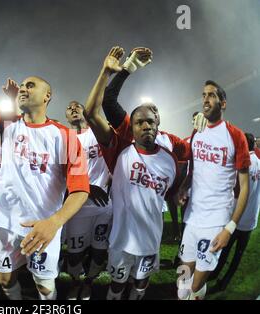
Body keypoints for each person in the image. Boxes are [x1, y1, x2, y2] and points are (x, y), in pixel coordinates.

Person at [0, 24, 89, 300]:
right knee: (5, 279)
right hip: (5, 224)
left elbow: (80, 189)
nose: (24, 88)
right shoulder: (7, 126)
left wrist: (54, 223)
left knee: (44, 287)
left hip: (42, 228)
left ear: (47, 96)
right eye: (23, 85)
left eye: (31, 85)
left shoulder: (65, 136)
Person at [84, 46, 178, 300]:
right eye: (139, 122)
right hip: (122, 243)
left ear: (158, 125)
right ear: (132, 129)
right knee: (116, 288)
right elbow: (93, 111)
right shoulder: (120, 150)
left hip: (151, 242)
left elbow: (172, 189)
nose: (146, 125)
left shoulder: (170, 158)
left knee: (139, 288)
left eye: (151, 121)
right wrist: (118, 71)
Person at [176, 80, 250, 300]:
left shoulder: (235, 136)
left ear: (223, 103)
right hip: (193, 217)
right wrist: (183, 188)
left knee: (196, 284)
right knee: (183, 278)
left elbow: (245, 186)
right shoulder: (197, 131)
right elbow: (194, 169)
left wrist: (230, 228)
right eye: (203, 95)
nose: (205, 99)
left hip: (216, 219)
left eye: (211, 95)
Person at [64, 101, 112, 300]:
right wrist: (86, 188)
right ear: (66, 116)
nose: (74, 108)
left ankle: (88, 283)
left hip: (103, 206)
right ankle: (76, 282)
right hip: (77, 207)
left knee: (100, 251)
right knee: (74, 252)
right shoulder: (63, 138)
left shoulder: (98, 134)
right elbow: (59, 175)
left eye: (78, 105)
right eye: (69, 107)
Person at [208, 133, 260, 291]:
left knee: (223, 250)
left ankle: (214, 274)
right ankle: (224, 283)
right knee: (238, 255)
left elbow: (235, 192)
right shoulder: (258, 161)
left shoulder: (243, 163)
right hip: (252, 219)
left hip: (236, 218)